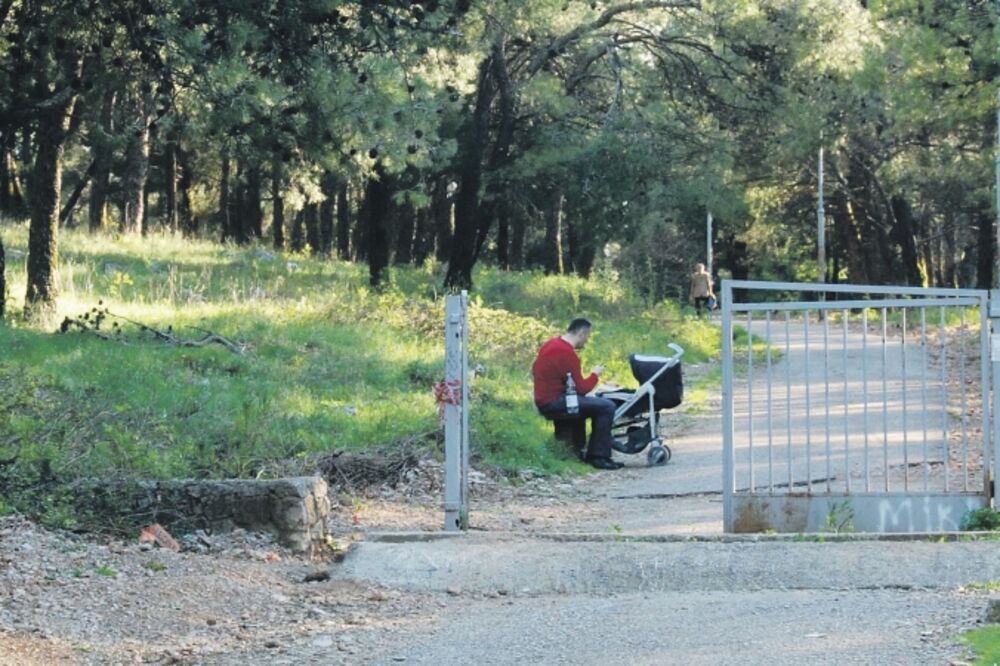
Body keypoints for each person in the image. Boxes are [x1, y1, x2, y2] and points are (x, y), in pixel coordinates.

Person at [532, 318, 623, 470]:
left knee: (587, 404)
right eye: (587, 336)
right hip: (553, 402)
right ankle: (598, 456)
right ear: (581, 333)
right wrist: (595, 375)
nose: (586, 341)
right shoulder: (567, 353)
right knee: (607, 406)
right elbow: (581, 388)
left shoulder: (551, 344)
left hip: (543, 398)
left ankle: (578, 450)